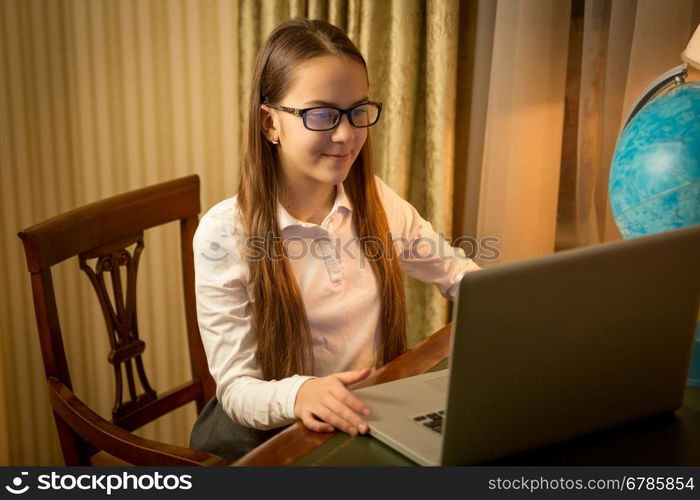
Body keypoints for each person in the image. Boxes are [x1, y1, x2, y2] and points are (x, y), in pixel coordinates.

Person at [189, 18, 480, 462]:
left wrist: (511, 305)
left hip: (362, 419)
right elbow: (235, 390)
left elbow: (455, 272)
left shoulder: (374, 199)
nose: (346, 134)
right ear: (270, 124)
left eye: (357, 111)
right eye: (322, 114)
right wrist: (302, 393)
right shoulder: (225, 233)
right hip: (275, 437)